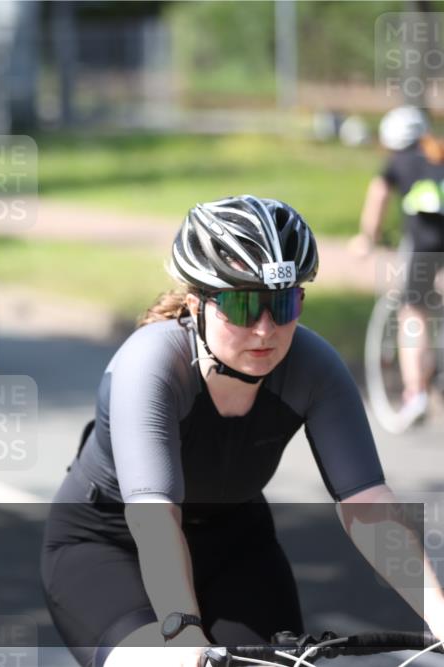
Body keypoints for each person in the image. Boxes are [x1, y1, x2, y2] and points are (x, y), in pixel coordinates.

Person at [42, 195, 444, 667]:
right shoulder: (150, 365)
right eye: (242, 305)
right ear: (196, 304)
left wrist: (438, 613)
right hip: (110, 546)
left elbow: (369, 506)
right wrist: (182, 630)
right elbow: (153, 520)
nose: (265, 329)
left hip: (234, 541)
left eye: (283, 302)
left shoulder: (314, 368)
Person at [350, 105, 444, 430]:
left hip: (427, 245)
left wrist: (367, 238)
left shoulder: (397, 162)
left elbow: (378, 199)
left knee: (413, 313)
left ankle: (415, 393)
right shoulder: (438, 154)